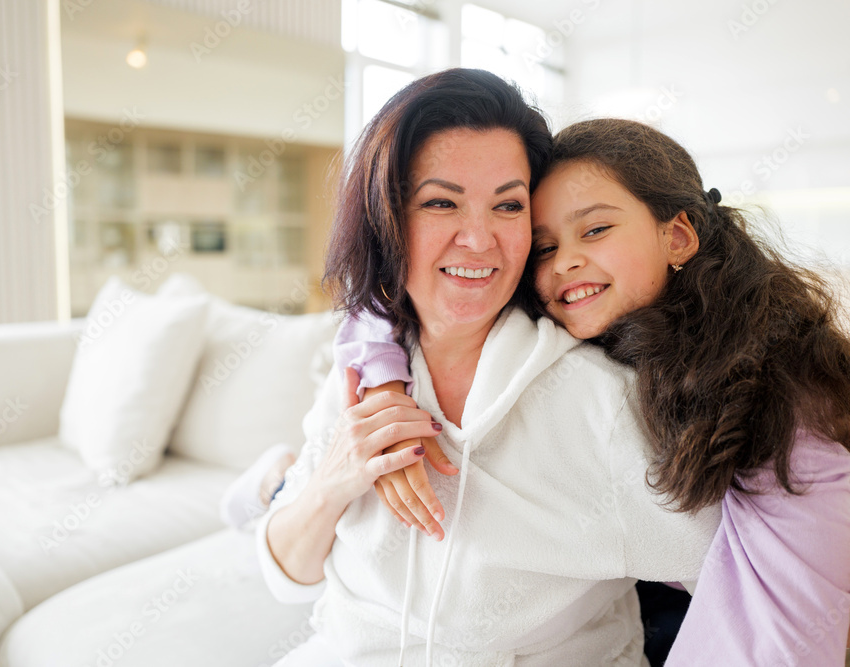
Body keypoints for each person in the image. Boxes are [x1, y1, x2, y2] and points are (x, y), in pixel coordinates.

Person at [331, 118, 850, 665]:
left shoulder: (782, 395)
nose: (565, 262)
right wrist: (384, 386)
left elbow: (788, 626)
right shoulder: (605, 325)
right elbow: (391, 302)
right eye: (543, 247)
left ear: (677, 236)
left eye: (596, 229)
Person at [254, 69, 720, 667]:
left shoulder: (599, 402)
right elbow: (288, 578)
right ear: (385, 216)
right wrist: (331, 483)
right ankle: (270, 478)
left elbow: (745, 586)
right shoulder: (364, 373)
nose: (479, 240)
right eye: (441, 202)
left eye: (507, 205)